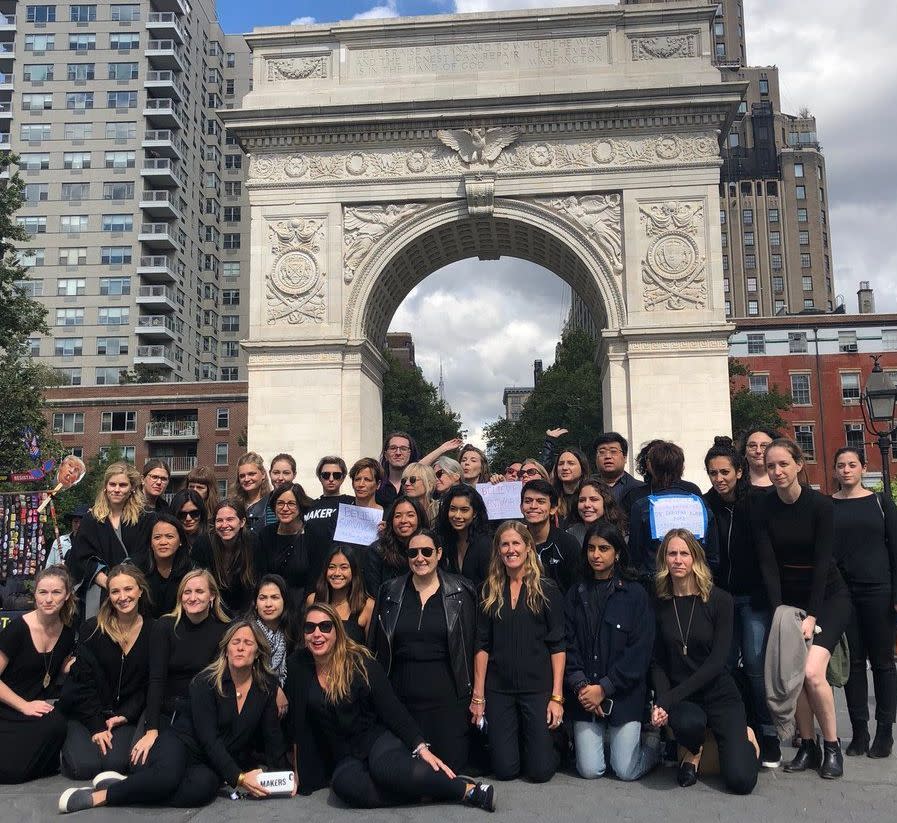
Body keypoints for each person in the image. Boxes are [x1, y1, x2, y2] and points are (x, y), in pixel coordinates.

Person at [59, 620, 292, 813]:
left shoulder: (266, 687)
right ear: (227, 649)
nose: (240, 648)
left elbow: (272, 735)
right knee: (167, 779)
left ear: (258, 652)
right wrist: (239, 778)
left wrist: (284, 778)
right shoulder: (205, 682)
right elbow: (208, 738)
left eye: (247, 643)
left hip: (212, 761)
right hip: (184, 743)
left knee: (202, 791)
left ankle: (130, 786)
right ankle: (102, 796)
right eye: (235, 642)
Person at [285, 603, 495, 811]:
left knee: (389, 772)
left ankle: (468, 790)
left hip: (375, 739)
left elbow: (392, 709)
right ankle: (427, 792)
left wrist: (421, 747)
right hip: (344, 755)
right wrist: (298, 769)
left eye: (325, 626)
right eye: (309, 628)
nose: (317, 634)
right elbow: (298, 721)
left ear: (337, 631)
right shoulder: (298, 665)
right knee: (348, 789)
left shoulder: (360, 662)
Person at [751, 438, 851, 778]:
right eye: (770, 466)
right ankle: (807, 745)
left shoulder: (820, 506)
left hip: (828, 598)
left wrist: (812, 615)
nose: (776, 471)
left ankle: (832, 746)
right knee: (794, 671)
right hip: (788, 601)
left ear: (798, 465)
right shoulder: (763, 507)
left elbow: (823, 563)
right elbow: (768, 565)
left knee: (810, 672)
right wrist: (782, 613)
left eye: (783, 464)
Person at [650, 529, 759, 795]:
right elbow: (657, 661)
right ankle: (694, 751)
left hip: (719, 692)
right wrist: (663, 700)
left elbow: (717, 662)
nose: (677, 560)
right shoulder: (659, 602)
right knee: (688, 724)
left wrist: (668, 699)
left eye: (684, 553)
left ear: (696, 559)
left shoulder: (720, 600)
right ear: (664, 560)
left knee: (741, 782)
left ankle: (748, 737)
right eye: (671, 553)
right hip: (685, 699)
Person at [369, 529, 477, 772]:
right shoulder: (389, 591)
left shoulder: (462, 591)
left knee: (451, 768)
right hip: (401, 697)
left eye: (427, 551)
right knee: (405, 769)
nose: (420, 558)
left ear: (438, 554)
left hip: (448, 700)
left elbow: (472, 645)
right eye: (413, 552)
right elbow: (376, 645)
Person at [702, 436, 779, 768]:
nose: (719, 479)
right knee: (725, 666)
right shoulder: (704, 505)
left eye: (724, 472)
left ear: (739, 471)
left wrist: (774, 599)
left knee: (757, 668)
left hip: (753, 598)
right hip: (719, 598)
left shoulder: (759, 502)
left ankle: (769, 733)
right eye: (713, 473)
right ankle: (738, 728)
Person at [471, 521, 566, 783]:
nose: (511, 549)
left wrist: (556, 697)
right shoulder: (488, 590)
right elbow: (482, 645)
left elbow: (558, 645)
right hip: (499, 688)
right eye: (505, 544)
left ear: (527, 547)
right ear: (498, 550)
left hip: (537, 688)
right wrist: (478, 696)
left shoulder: (547, 590)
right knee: (505, 770)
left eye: (516, 543)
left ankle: (551, 743)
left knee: (540, 772)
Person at [565, 522, 658, 780]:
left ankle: (651, 742)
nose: (596, 554)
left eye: (604, 548)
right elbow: (567, 645)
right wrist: (584, 687)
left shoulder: (636, 594)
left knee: (626, 771)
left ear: (617, 553)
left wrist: (604, 688)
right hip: (584, 694)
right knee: (590, 770)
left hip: (624, 695)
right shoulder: (576, 593)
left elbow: (639, 652)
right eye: (591, 548)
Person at [831, 446, 897, 758]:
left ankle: (885, 731)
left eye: (852, 465)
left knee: (883, 663)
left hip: (879, 590)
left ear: (862, 467)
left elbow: (896, 548)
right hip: (845, 594)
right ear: (834, 470)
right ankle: (859, 731)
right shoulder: (827, 506)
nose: (846, 470)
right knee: (853, 664)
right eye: (841, 465)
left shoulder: (881, 502)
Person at [59, 564, 154, 780]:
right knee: (84, 768)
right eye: (115, 591)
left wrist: (126, 714)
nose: (123, 597)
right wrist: (96, 726)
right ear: (108, 595)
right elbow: (82, 683)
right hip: (86, 713)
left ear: (140, 590)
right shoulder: (92, 629)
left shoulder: (153, 630)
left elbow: (150, 683)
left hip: (123, 716)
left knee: (116, 764)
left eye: (128, 589)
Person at [128, 570, 230, 767]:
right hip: (167, 708)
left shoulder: (225, 629)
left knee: (189, 764)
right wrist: (152, 729)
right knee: (140, 764)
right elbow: (156, 680)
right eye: (187, 592)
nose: (192, 598)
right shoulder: (164, 626)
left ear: (212, 596)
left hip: (204, 711)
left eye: (199, 591)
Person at [0, 565, 77, 784]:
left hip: (35, 708)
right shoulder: (17, 630)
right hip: (8, 705)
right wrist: (24, 705)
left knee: (57, 724)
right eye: (43, 592)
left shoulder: (67, 631)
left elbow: (57, 665)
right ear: (35, 594)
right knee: (13, 772)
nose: (49, 599)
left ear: (67, 595)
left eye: (56, 592)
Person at [67, 462, 154, 620]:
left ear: (132, 488)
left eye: (122, 485)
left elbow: (144, 554)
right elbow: (80, 557)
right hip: (98, 592)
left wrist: (123, 585)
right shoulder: (90, 520)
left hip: (132, 591)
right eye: (112, 484)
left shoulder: (145, 518)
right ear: (105, 487)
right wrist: (109, 583)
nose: (117, 489)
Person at [627, 441, 718, 584]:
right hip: (696, 582)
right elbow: (712, 553)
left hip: (656, 585)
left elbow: (635, 555)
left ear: (652, 467)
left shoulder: (642, 506)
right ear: (681, 467)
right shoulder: (701, 503)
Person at [193, 499, 257, 616]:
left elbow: (257, 584)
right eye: (219, 520)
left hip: (246, 611)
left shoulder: (253, 544)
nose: (224, 525)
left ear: (242, 522)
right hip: (212, 611)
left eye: (230, 519)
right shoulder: (204, 544)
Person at [256, 482, 315, 607]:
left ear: (300, 506)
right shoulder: (266, 534)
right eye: (280, 503)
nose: (285, 508)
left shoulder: (312, 534)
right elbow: (261, 575)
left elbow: (316, 579)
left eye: (291, 504)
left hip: (303, 605)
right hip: (272, 604)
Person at [250, 574, 298, 720]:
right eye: (263, 598)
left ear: (285, 601)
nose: (268, 604)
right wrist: (275, 690)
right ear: (255, 603)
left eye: (275, 597)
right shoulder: (247, 632)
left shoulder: (290, 632)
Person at [304, 456, 356, 586]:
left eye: (337, 475)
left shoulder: (352, 503)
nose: (331, 479)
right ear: (319, 477)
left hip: (342, 573)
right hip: (314, 573)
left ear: (343, 477)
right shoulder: (309, 506)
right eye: (326, 475)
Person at [521, 479, 580, 594]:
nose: (533, 506)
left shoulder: (568, 543)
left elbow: (577, 588)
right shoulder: (515, 543)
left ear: (553, 508)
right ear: (521, 507)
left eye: (540, 501)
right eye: (528, 501)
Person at [307, 546, 375, 644]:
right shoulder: (313, 600)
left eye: (344, 567)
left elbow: (370, 649)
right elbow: (307, 641)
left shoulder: (368, 606)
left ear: (354, 571)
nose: (337, 573)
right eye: (331, 567)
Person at [365, 496, 429, 597]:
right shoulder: (376, 551)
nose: (403, 520)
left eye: (410, 515)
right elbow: (373, 596)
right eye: (398, 516)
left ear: (419, 518)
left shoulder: (429, 549)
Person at [436, 483, 492, 589]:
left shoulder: (485, 544)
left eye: (464, 510)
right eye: (453, 509)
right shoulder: (443, 540)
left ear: (474, 513)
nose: (457, 515)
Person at [142, 514, 193, 619]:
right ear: (150, 542)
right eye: (157, 537)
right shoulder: (137, 569)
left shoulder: (192, 569)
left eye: (169, 536)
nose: (163, 542)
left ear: (181, 541)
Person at [565, 476, 629, 547]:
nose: (587, 505)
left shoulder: (621, 534)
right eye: (582, 500)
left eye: (593, 499)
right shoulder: (570, 535)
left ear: (605, 502)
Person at [593, 433, 643, 504]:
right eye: (602, 452)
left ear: (625, 458)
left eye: (613, 451)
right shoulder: (585, 486)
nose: (607, 456)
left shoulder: (640, 489)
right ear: (596, 459)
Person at [377, 431, 420, 508]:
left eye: (403, 449)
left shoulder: (419, 485)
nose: (398, 453)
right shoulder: (376, 486)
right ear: (386, 454)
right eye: (393, 448)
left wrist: (443, 448)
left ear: (410, 454)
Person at [234, 452, 273, 535]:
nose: (246, 479)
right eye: (242, 476)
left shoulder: (272, 504)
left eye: (251, 474)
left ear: (263, 474)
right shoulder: (234, 505)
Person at [168, 488, 211, 558]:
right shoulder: (167, 543)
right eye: (182, 514)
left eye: (194, 513)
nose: (188, 519)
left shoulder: (213, 540)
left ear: (202, 513)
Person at [552, 447, 590, 523]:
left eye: (571, 463)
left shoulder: (591, 496)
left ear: (582, 468)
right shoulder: (552, 497)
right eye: (561, 464)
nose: (564, 468)